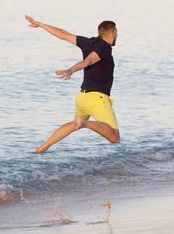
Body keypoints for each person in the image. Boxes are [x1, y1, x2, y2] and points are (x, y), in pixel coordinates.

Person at [25, 15, 120, 154]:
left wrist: (41, 24)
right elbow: (87, 62)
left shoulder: (89, 42)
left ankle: (44, 147)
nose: (117, 35)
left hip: (82, 97)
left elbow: (63, 35)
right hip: (97, 98)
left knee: (74, 124)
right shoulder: (105, 47)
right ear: (113, 33)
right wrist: (70, 71)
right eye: (116, 32)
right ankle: (85, 123)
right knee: (115, 137)